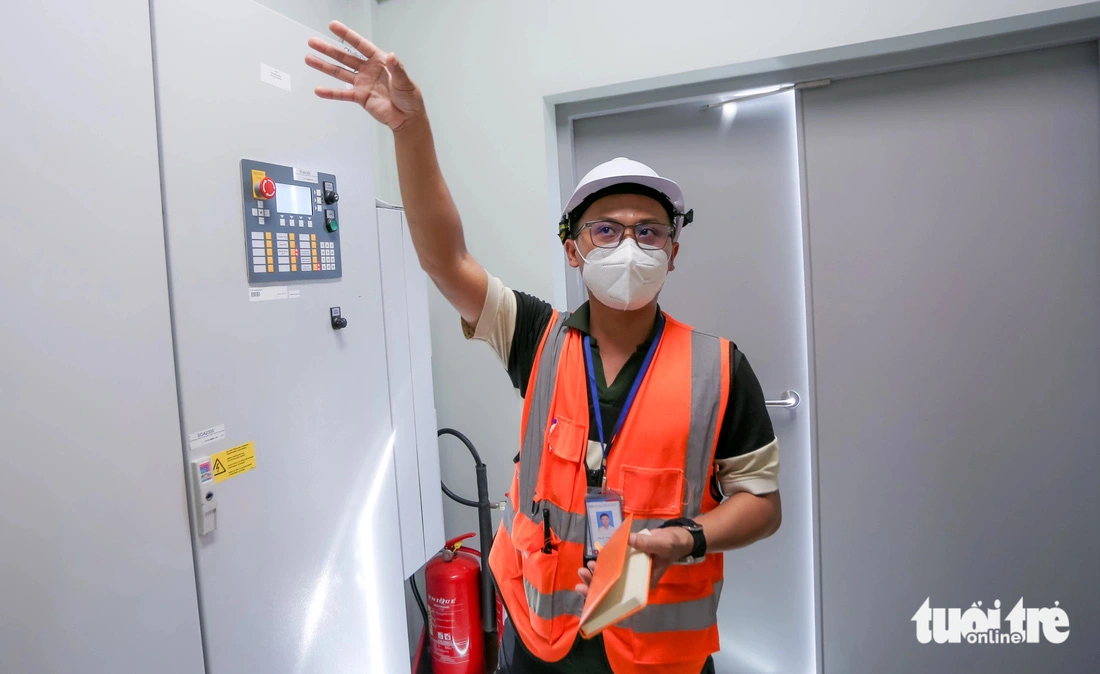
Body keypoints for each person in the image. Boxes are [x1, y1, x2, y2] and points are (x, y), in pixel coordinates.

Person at [307, 21, 782, 674]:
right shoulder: (538, 338)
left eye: (649, 233)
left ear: (672, 253)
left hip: (658, 652)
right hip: (540, 643)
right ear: (573, 247)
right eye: (606, 230)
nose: (628, 246)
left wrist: (688, 537)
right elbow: (445, 260)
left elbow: (761, 505)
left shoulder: (718, 369)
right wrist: (410, 131)